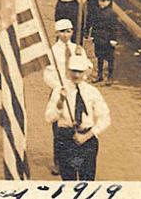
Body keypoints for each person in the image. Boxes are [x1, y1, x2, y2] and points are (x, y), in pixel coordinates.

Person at [45, 54, 110, 181]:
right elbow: (49, 117)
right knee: (68, 181)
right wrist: (60, 103)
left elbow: (105, 118)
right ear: (68, 71)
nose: (76, 75)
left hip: (87, 140)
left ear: (86, 72)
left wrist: (87, 135)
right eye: (74, 71)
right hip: (65, 139)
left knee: (87, 180)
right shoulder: (59, 90)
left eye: (80, 71)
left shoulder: (92, 92)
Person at [42, 19, 86, 175]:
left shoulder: (78, 49)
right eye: (62, 31)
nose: (65, 35)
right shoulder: (52, 52)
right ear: (56, 33)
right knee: (59, 130)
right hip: (60, 93)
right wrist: (59, 88)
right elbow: (47, 74)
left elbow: (85, 69)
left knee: (78, 126)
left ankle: (75, 160)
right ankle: (59, 162)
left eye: (68, 31)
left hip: (76, 94)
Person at [90, 0, 118, 85]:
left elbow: (114, 28)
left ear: (109, 2)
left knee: (110, 58)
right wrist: (92, 36)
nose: (101, 3)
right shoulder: (97, 11)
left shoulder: (112, 13)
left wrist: (113, 39)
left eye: (104, 1)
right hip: (98, 38)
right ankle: (100, 75)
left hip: (108, 38)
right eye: (100, 1)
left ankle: (110, 76)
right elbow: (94, 24)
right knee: (99, 57)